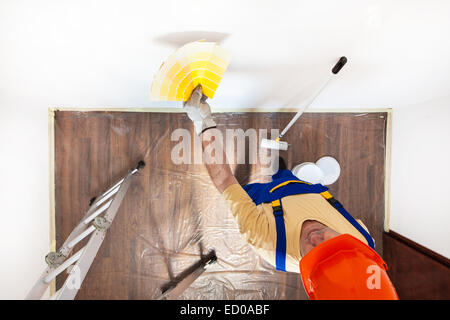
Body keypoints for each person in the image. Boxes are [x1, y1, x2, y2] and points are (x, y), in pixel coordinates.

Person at [184, 86, 398, 299]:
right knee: (282, 173)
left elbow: (224, 179)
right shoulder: (362, 239)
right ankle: (280, 171)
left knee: (238, 191)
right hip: (304, 188)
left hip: (265, 201)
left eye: (317, 252)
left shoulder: (268, 241)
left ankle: (276, 175)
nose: (316, 237)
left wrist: (203, 123)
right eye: (334, 243)